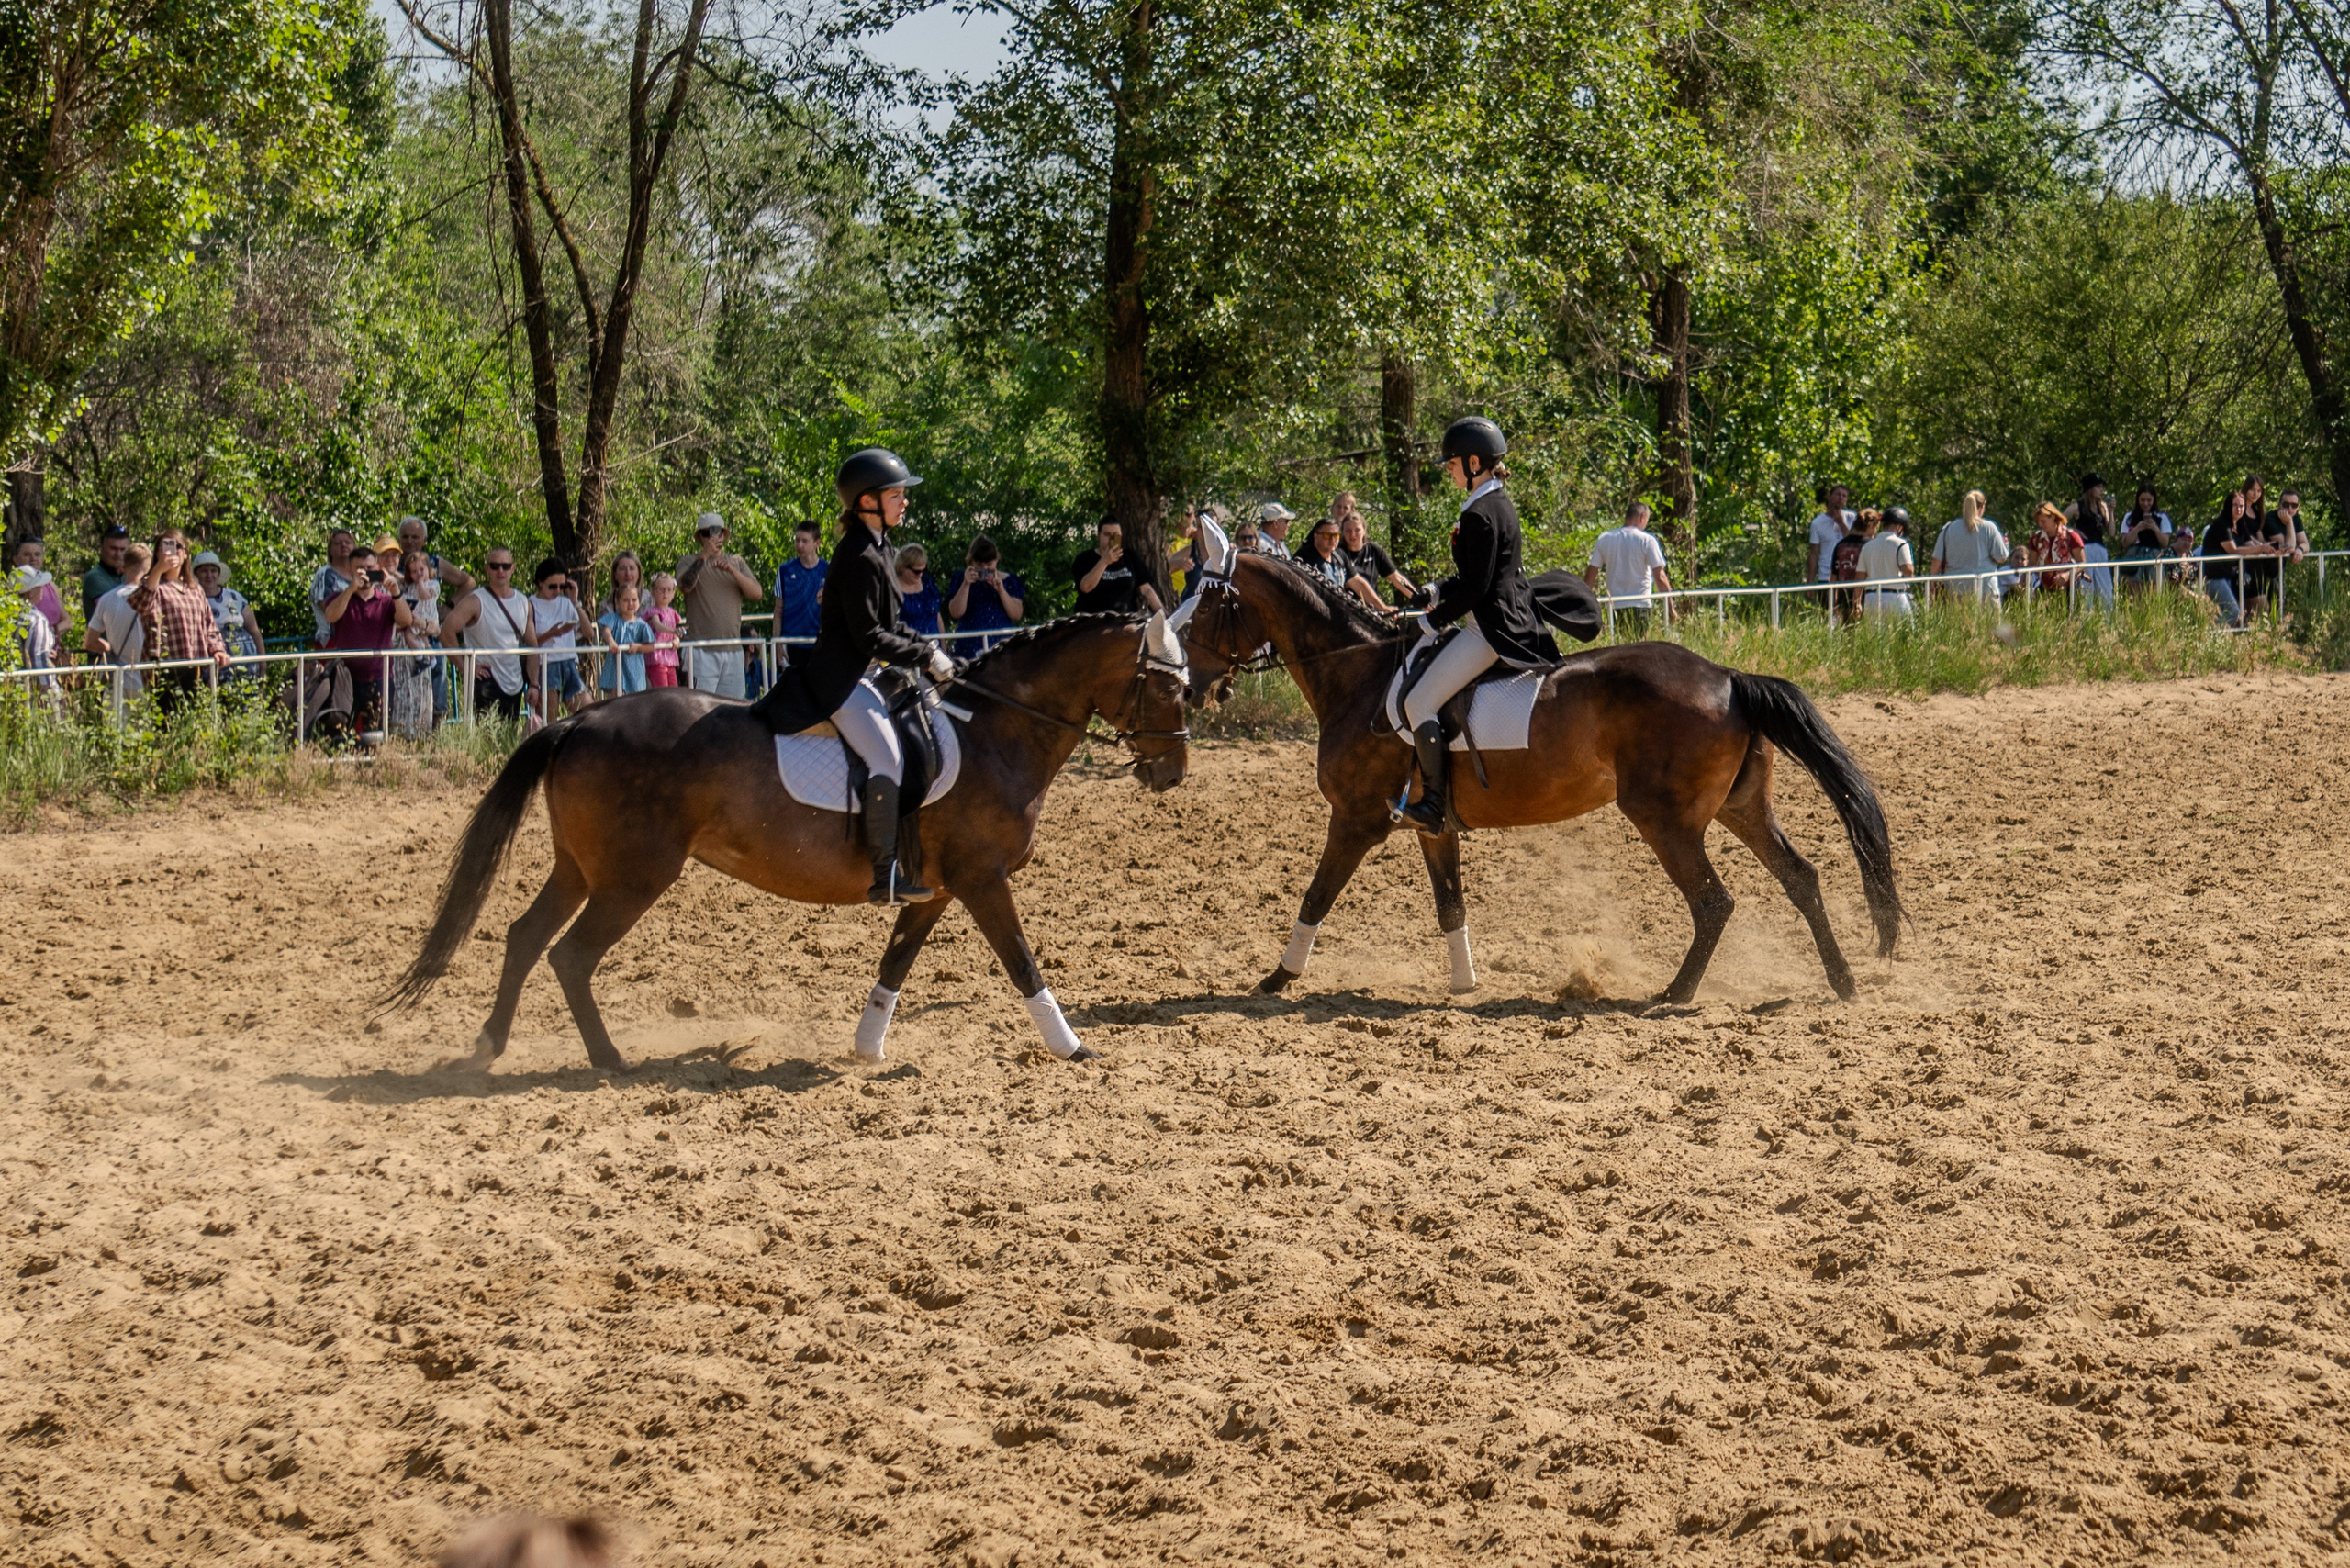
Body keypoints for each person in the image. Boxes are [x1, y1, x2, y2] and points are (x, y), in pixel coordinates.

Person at [754, 447, 956, 905]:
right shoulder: (860, 554)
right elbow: (869, 636)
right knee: (888, 759)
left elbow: (893, 624)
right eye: (897, 494)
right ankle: (884, 875)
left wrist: (930, 649)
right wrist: (923, 657)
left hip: (866, 674)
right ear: (868, 500)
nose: (905, 501)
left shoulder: (880, 547)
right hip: (841, 681)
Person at [1397, 415, 1559, 834]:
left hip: (1491, 627)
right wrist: (1433, 589)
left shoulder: (1480, 514)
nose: (1448, 471)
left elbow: (1476, 590)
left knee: (1418, 704)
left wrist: (1430, 623)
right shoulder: (1494, 502)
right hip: (1503, 612)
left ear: (1473, 463)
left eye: (1450, 465)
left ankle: (1432, 804)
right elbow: (1473, 575)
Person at [131, 531, 230, 713]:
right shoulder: (152, 584)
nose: (172, 553)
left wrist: (217, 649)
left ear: (185, 554)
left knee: (193, 717)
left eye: (178, 547)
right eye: (165, 548)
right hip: (163, 666)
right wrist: (158, 570)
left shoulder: (194, 588)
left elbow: (209, 624)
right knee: (165, 720)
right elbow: (140, 605)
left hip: (195, 664)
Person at [321, 543, 412, 739]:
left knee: (377, 734)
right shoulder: (339, 598)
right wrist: (351, 589)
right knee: (339, 733)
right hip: (345, 679)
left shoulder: (387, 601)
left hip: (378, 677)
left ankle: (375, 768)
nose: (365, 574)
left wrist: (395, 591)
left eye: (370, 569)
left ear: (378, 569)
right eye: (360, 569)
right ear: (349, 570)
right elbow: (331, 616)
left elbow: (406, 620)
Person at [674, 513, 764, 697]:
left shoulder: (737, 561)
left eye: (717, 532)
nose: (713, 537)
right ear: (699, 537)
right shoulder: (687, 561)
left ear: (724, 535)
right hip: (700, 652)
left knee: (734, 711)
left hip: (733, 650)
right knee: (699, 711)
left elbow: (757, 594)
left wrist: (732, 571)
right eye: (707, 533)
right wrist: (704, 556)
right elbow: (684, 586)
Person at [438, 547, 532, 721]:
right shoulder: (474, 601)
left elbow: (533, 645)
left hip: (515, 678)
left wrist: (534, 684)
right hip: (486, 677)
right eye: (495, 566)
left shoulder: (523, 602)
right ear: (487, 568)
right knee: (487, 733)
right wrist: (465, 667)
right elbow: (446, 633)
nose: (500, 571)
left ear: (513, 568)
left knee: (509, 734)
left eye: (505, 566)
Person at [1584, 500, 1672, 635]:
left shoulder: (1605, 538)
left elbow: (1591, 574)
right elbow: (1660, 576)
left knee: (1618, 648)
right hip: (1640, 603)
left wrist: (1585, 604)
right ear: (1642, 517)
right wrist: (1670, 607)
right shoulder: (1647, 540)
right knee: (1640, 647)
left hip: (1615, 605)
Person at [82, 543, 150, 694]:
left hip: (116, 679)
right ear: (148, 569)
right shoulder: (154, 599)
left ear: (123, 567)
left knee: (114, 717)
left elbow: (90, 642)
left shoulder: (107, 599)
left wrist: (110, 648)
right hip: (146, 678)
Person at [388, 547, 442, 737]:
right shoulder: (394, 584)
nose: (419, 574)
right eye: (385, 556)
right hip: (393, 655)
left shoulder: (430, 585)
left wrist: (419, 622)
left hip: (419, 626)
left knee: (421, 701)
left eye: (394, 555)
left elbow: (435, 628)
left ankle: (420, 737)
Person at [526, 557, 588, 716]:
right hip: (545, 665)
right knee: (548, 718)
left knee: (589, 712)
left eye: (563, 586)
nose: (558, 591)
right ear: (540, 582)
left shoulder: (566, 603)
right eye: (552, 586)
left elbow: (589, 633)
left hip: (568, 663)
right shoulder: (529, 604)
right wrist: (552, 633)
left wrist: (576, 602)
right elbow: (527, 645)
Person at [944, 534, 1025, 652]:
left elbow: (1016, 615)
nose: (984, 569)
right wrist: (966, 585)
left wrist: (1001, 591)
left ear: (996, 560)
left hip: (1001, 645)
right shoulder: (960, 579)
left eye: (989, 564)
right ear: (971, 562)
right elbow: (955, 613)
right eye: (979, 565)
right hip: (969, 643)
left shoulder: (1010, 581)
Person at [190, 551, 263, 678]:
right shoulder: (192, 599)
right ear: (196, 574)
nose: (209, 575)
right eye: (204, 571)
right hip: (216, 662)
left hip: (246, 660)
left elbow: (254, 631)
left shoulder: (234, 596)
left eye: (213, 571)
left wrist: (263, 663)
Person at [1071, 519, 1162, 614]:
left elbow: (1146, 590)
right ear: (1098, 536)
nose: (1112, 539)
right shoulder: (1085, 558)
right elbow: (1086, 587)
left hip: (1124, 620)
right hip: (1094, 620)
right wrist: (1104, 561)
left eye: (1116, 535)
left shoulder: (1130, 557)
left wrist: (1163, 615)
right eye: (1107, 535)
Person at [1931, 490, 2009, 599]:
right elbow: (2002, 557)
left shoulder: (1948, 529)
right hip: (1985, 588)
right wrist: (2006, 545)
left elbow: (1936, 560)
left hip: (1955, 589)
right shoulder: (1989, 527)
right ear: (1982, 507)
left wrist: (1932, 585)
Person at [1337, 503, 1413, 608]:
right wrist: (1383, 608)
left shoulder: (1374, 550)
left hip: (1371, 609)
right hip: (1346, 608)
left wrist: (1416, 597)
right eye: (1348, 531)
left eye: (1357, 530)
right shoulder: (1338, 553)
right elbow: (1355, 583)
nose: (1353, 535)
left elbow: (1396, 577)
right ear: (1342, 533)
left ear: (1364, 530)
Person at [2065, 473, 2116, 609]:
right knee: (2086, 589)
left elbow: (2111, 533)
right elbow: (2059, 521)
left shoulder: (2102, 507)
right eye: (2098, 487)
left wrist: (2111, 512)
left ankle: (2108, 621)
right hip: (2084, 550)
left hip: (2100, 549)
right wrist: (2073, 531)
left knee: (2106, 589)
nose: (2101, 490)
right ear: (2090, 488)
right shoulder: (2078, 507)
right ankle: (2085, 621)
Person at [395, 516, 476, 599]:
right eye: (405, 537)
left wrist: (449, 607)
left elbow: (469, 582)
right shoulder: (390, 561)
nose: (409, 541)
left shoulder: (434, 562)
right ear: (399, 539)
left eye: (415, 537)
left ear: (424, 540)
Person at [596, 582, 655, 697]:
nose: (630, 604)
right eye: (626, 600)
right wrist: (611, 641)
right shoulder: (613, 618)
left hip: (634, 668)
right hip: (617, 665)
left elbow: (651, 646)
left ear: (639, 602)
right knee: (617, 695)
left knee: (636, 697)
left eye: (634, 600)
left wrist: (638, 647)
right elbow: (606, 631)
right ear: (618, 603)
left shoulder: (642, 624)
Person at [774, 522, 827, 646]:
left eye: (804, 541)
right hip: (790, 642)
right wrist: (777, 644)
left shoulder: (827, 570)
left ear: (817, 543)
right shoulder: (785, 570)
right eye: (797, 540)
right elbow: (778, 611)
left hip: (818, 642)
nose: (799, 545)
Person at [2200, 494, 2249, 627]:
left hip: (2227, 576)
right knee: (2233, 613)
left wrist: (2267, 548)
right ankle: (2211, 636)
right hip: (2214, 577)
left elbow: (2250, 543)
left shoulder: (2239, 525)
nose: (2238, 509)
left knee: (2229, 612)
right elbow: (2234, 550)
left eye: (2241, 506)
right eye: (2235, 505)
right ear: (2228, 506)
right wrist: (2261, 548)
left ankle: (2214, 635)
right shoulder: (2222, 525)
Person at [1858, 507, 1916, 618]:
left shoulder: (1867, 546)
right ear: (1900, 527)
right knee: (1906, 633)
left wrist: (1857, 601)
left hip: (1871, 597)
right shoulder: (1901, 544)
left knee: (1874, 634)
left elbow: (1860, 576)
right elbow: (1908, 571)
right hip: (1895, 595)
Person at [2023, 502, 2085, 596]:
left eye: (2043, 521)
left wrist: (2068, 574)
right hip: (2045, 589)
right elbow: (2032, 564)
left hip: (2069, 589)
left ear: (2052, 517)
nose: (2040, 524)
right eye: (2038, 522)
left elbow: (2082, 563)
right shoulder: (2036, 538)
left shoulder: (2070, 535)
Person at [1806, 483, 1854, 600]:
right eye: (1838, 494)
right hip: (1825, 576)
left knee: (1848, 615)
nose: (1841, 498)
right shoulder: (1817, 523)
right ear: (1829, 497)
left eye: (1844, 496)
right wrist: (1810, 582)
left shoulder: (1852, 518)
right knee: (1827, 614)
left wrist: (1841, 523)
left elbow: (1853, 542)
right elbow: (1814, 553)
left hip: (1848, 575)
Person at [310, 527, 356, 647]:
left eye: (348, 542)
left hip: (355, 639)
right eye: (338, 543)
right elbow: (327, 609)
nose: (343, 545)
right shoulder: (325, 574)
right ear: (330, 549)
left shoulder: (360, 573)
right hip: (332, 640)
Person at [2119, 487, 2170, 590]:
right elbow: (2125, 543)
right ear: (2137, 500)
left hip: (2154, 556)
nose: (2146, 504)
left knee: (2154, 588)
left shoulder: (2162, 517)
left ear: (2154, 500)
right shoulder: (2129, 517)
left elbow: (2165, 543)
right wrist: (2137, 528)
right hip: (2134, 555)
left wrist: (2155, 528)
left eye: (2149, 500)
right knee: (2134, 589)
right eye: (2142, 500)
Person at [12, 538, 64, 637]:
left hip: (51, 648)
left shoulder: (50, 586)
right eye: (27, 555)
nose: (33, 558)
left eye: (37, 554)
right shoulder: (9, 587)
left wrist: (47, 635)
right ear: (16, 559)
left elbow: (67, 622)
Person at [1830, 509, 1871, 624]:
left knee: (1847, 637)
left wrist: (1833, 603)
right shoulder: (1870, 545)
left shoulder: (1841, 545)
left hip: (1843, 598)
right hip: (1867, 598)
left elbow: (1833, 577)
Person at [80, 523, 130, 619]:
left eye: (122, 549)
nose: (118, 554)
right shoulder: (94, 577)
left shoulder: (127, 576)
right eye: (113, 549)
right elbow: (113, 612)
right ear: (102, 548)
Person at [643, 573, 684, 688]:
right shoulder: (653, 611)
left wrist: (676, 639)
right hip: (657, 656)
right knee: (662, 689)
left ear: (673, 593)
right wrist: (673, 631)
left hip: (670, 656)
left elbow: (676, 629)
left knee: (673, 688)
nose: (665, 593)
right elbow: (657, 625)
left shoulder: (673, 613)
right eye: (661, 590)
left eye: (669, 590)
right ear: (653, 592)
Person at [895, 543, 943, 636]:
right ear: (902, 567)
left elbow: (938, 617)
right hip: (907, 645)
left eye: (923, 570)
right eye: (916, 571)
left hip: (934, 645)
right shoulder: (892, 587)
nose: (920, 574)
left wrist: (943, 646)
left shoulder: (928, 583)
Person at [1293, 515, 1350, 591]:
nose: (1332, 540)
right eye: (1327, 535)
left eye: (1336, 535)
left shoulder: (1339, 555)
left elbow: (1356, 580)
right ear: (1315, 536)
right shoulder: (1304, 558)